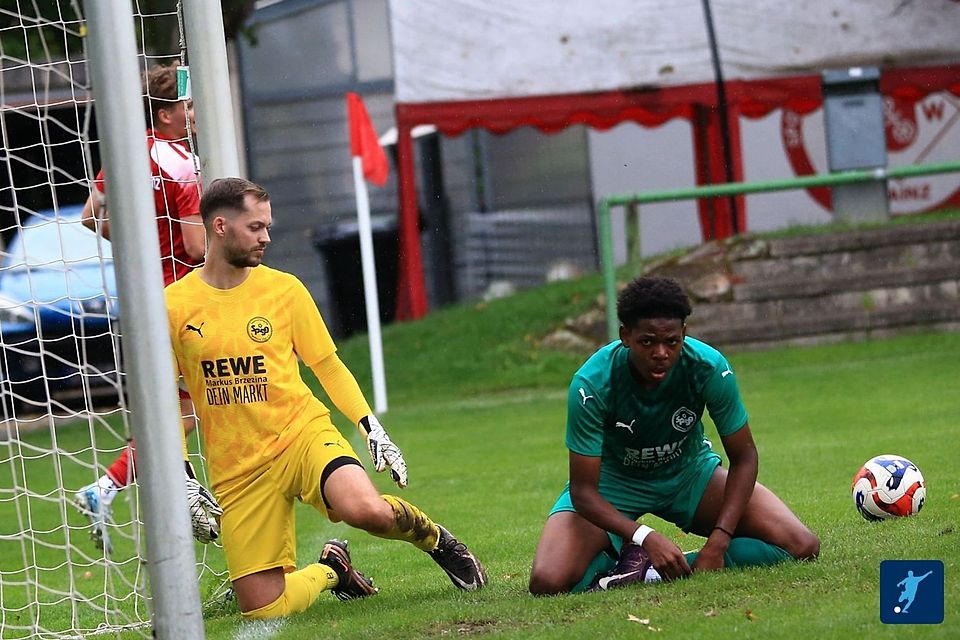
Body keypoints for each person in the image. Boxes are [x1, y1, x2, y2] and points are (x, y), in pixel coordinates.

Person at [164, 176, 487, 618]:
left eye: (268, 226)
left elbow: (327, 365)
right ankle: (333, 570)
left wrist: (370, 426)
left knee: (366, 510)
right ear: (220, 227)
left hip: (301, 435)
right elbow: (168, 399)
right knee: (263, 610)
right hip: (236, 468)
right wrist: (181, 474)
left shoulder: (284, 290)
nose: (267, 237)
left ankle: (435, 539)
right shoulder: (174, 305)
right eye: (256, 227)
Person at [528, 276, 819, 595]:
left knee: (801, 545)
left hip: (689, 475)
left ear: (684, 333)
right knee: (548, 582)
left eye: (672, 341)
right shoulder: (592, 384)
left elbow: (745, 456)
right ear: (625, 336)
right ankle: (618, 559)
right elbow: (584, 491)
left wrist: (719, 541)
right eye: (647, 342)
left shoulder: (708, 367)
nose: (661, 353)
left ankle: (648, 571)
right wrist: (644, 536)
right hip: (613, 484)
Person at [75, 63, 208, 553]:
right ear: (168, 113)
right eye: (188, 106)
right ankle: (184, 486)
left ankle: (110, 485)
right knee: (206, 403)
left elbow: (92, 218)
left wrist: (140, 239)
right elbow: (196, 249)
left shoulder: (128, 154)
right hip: (182, 300)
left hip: (141, 299)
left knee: (181, 408)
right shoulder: (180, 162)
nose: (194, 114)